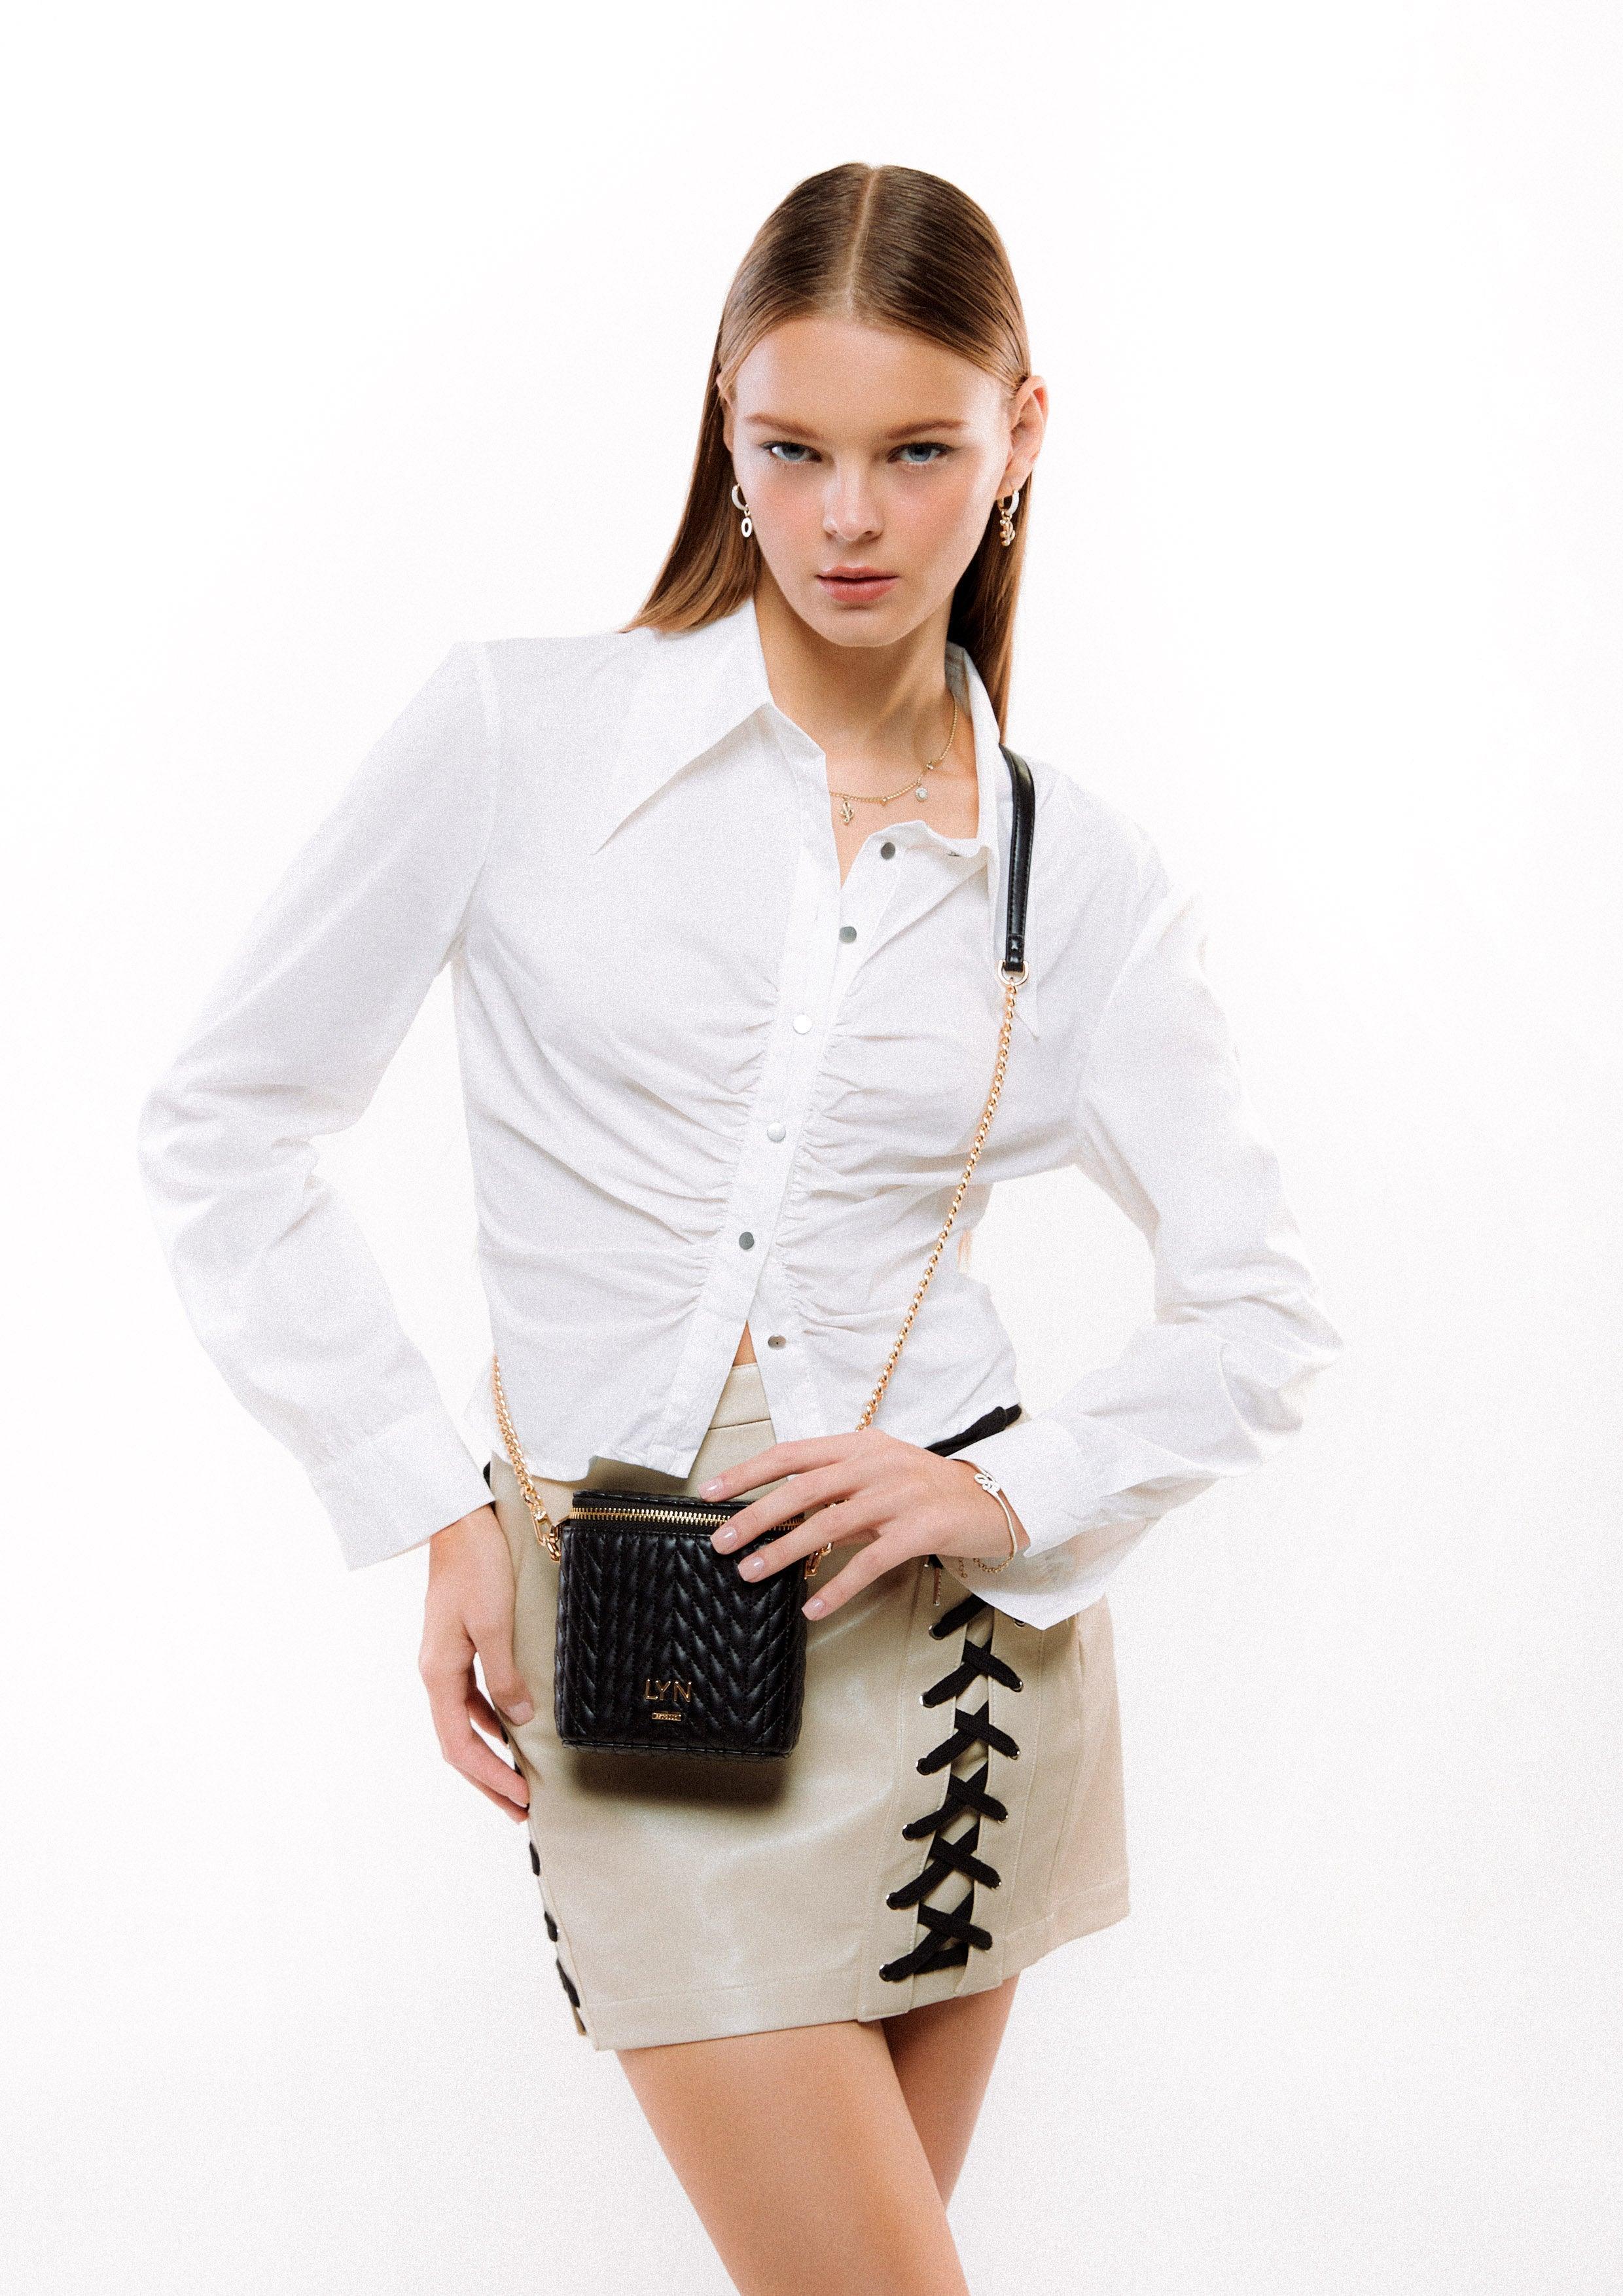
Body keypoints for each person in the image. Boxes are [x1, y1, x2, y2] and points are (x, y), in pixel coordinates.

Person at [137, 161, 1343, 2296]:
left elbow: (1261, 1308)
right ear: (725, 419)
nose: (847, 519)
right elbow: (224, 1122)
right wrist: (430, 1502)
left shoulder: (1080, 877)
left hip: (961, 1672)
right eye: (791, 449)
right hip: (626, 1646)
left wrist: (1002, 1483)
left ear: (1023, 435)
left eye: (917, 453)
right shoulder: (518, 736)